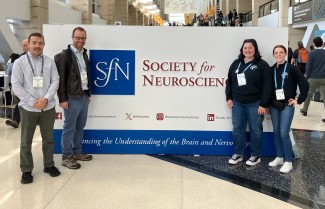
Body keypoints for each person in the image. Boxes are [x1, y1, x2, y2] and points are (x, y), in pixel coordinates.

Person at [11, 32, 61, 184]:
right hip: (28, 108)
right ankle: (26, 170)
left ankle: (49, 165)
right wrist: (33, 101)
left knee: (48, 140)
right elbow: (16, 85)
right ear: (29, 44)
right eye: (35, 43)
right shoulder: (20, 62)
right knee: (26, 141)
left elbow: (55, 80)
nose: (37, 46)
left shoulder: (49, 62)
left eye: (40, 43)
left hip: (48, 107)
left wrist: (45, 98)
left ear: (44, 45)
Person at [225, 39, 272, 166]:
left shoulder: (262, 65)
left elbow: (268, 86)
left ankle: (255, 156)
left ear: (255, 49)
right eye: (245, 48)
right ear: (242, 50)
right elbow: (229, 82)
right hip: (238, 103)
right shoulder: (236, 63)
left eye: (250, 48)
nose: (247, 50)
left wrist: (263, 104)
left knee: (256, 130)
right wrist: (229, 98)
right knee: (237, 129)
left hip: (255, 103)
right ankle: (238, 154)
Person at [54, 27, 92, 169]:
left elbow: (86, 75)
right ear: (72, 38)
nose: (80, 40)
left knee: (80, 127)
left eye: (83, 38)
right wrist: (62, 99)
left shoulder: (84, 54)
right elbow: (60, 79)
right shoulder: (63, 56)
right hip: (71, 97)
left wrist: (88, 94)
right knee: (69, 128)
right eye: (78, 38)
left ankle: (77, 153)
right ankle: (66, 157)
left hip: (83, 95)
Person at [268, 45, 309, 173]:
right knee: (276, 132)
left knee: (284, 133)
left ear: (285, 54)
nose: (278, 55)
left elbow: (304, 84)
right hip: (274, 105)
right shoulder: (271, 70)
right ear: (273, 55)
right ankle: (280, 157)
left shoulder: (292, 68)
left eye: (281, 52)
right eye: (276, 53)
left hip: (287, 105)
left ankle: (288, 161)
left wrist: (299, 99)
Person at [300, 37, 325, 121]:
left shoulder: (311, 54)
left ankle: (304, 110)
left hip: (313, 78)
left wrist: (307, 77)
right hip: (324, 78)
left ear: (314, 44)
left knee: (308, 94)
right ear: (322, 43)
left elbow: (308, 67)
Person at [5, 39, 29, 128]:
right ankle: (15, 120)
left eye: (25, 45)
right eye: (22, 45)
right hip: (22, 84)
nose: (23, 47)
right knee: (21, 101)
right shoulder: (20, 58)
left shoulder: (38, 57)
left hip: (34, 85)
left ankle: (18, 120)